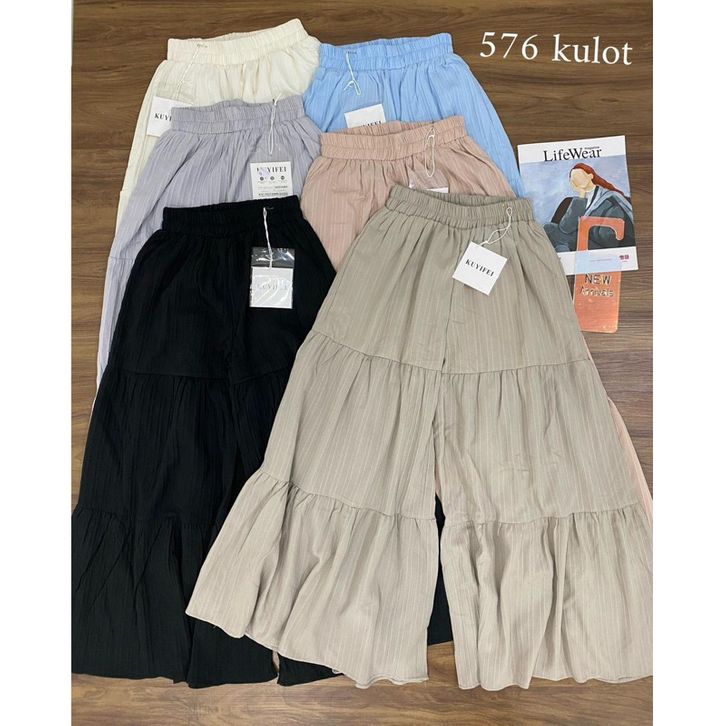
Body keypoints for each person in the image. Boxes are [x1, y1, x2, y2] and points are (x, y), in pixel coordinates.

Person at [544, 162, 635, 252]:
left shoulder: (611, 200)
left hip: (600, 247)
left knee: (552, 231)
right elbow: (565, 228)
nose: (576, 180)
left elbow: (609, 240)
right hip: (581, 241)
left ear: (590, 176)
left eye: (579, 176)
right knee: (549, 229)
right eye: (573, 179)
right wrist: (581, 195)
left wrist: (583, 230)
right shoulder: (576, 201)